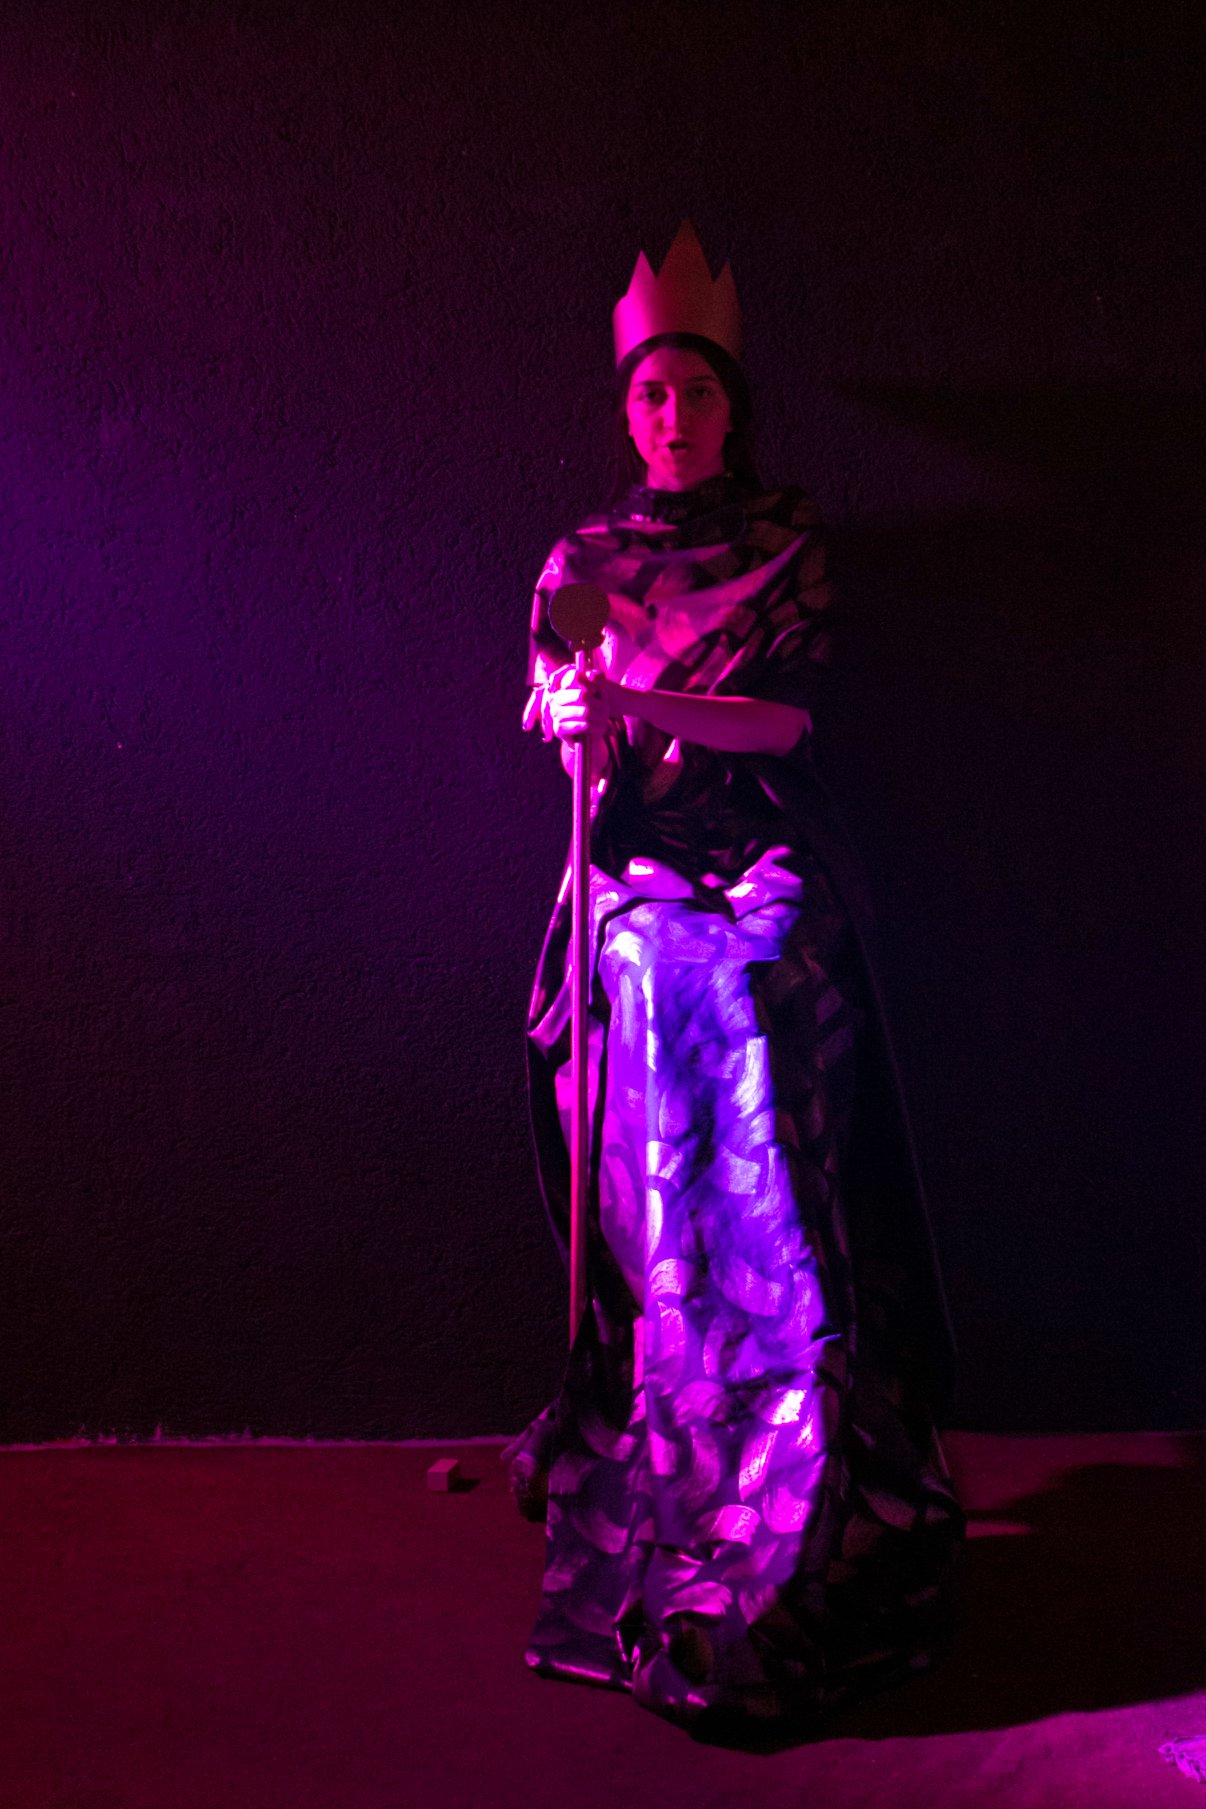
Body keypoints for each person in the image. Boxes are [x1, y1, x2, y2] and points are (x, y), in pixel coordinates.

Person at [506, 222, 963, 1739]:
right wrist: (575, 716)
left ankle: (807, 1406)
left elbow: (780, 726)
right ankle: (676, 1393)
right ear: (627, 410)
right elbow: (559, 728)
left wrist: (642, 698)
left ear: (729, 401)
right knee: (648, 969)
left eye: (695, 389)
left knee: (765, 980)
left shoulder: (786, 537)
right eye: (650, 394)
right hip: (639, 866)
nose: (672, 415)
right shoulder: (581, 563)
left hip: (759, 847)